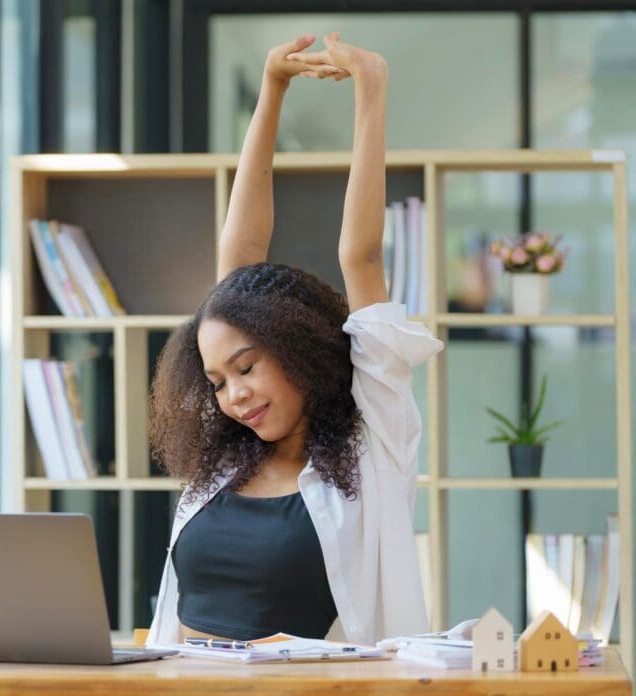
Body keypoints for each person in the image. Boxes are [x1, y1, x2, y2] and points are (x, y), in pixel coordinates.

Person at [146, 33, 444, 647]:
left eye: (247, 367)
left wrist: (371, 85)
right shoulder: (225, 464)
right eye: (218, 381)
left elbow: (358, 255)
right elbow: (239, 255)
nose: (234, 395)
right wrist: (272, 88)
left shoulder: (371, 445)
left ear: (296, 348)